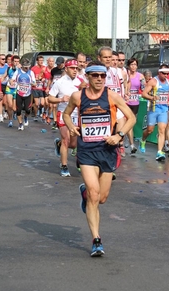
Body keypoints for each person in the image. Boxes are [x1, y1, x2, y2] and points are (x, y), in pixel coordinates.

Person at [62, 61, 136, 257]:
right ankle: (96, 240)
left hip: (107, 150)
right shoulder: (78, 96)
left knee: (101, 198)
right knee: (95, 195)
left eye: (102, 76)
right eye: (95, 75)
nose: (99, 79)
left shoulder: (111, 96)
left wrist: (119, 136)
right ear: (87, 76)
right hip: (86, 150)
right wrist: (70, 127)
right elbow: (66, 114)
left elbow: (132, 118)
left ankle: (84, 194)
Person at [48, 59, 80, 177]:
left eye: (76, 68)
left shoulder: (81, 81)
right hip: (63, 113)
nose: (75, 70)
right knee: (66, 140)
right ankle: (64, 166)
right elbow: (50, 98)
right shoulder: (60, 82)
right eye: (72, 68)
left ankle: (59, 144)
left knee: (74, 144)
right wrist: (61, 99)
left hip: (76, 114)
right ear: (66, 69)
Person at [140, 64, 169, 161]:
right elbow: (144, 94)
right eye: (164, 74)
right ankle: (143, 140)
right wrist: (152, 98)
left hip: (164, 109)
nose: (166, 75)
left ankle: (159, 152)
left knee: (162, 130)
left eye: (167, 74)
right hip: (153, 109)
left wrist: (168, 101)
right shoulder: (153, 81)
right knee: (150, 130)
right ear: (159, 72)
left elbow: (168, 95)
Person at [10, 59, 36, 131]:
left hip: (27, 94)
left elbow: (35, 83)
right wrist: (11, 82)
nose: (27, 68)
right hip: (19, 93)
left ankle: (25, 117)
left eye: (28, 67)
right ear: (22, 66)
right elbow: (11, 79)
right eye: (25, 67)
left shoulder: (31, 73)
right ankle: (20, 124)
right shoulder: (17, 72)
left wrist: (33, 84)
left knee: (27, 110)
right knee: (18, 110)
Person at [125, 57, 144, 154]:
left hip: (135, 102)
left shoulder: (140, 76)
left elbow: (143, 88)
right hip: (126, 102)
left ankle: (126, 138)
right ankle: (132, 145)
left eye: (135, 64)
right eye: (132, 64)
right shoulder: (125, 74)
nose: (133, 66)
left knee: (132, 123)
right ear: (128, 66)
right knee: (129, 121)